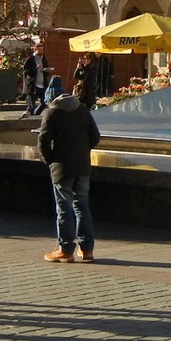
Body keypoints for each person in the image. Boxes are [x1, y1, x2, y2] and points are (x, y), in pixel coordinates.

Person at [39, 92, 103, 263]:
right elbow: (95, 137)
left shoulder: (51, 113)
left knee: (64, 208)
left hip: (61, 167)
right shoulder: (82, 110)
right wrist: (82, 151)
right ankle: (87, 249)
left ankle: (65, 249)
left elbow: (43, 140)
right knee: (82, 206)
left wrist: (50, 160)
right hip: (82, 166)